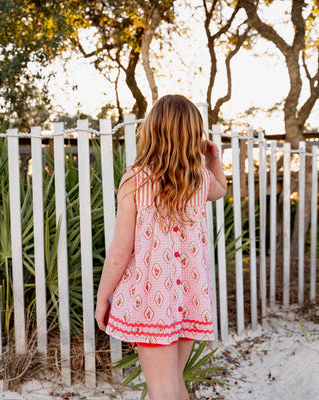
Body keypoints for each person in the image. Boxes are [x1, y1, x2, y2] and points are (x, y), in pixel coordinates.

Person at [95, 94, 227, 400]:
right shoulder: (199, 180)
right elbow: (220, 190)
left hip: (152, 300)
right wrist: (213, 159)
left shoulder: (136, 181)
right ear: (195, 135)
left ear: (152, 131)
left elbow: (119, 251)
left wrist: (103, 297)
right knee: (174, 384)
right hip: (189, 297)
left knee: (162, 389)